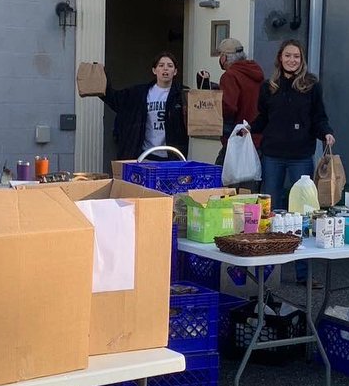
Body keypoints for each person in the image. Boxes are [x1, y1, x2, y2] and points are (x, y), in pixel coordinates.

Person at [239, 38, 335, 282]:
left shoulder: (311, 85)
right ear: (280, 58)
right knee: (269, 211)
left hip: (301, 157)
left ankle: (303, 273)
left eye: (296, 56)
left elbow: (319, 117)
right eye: (288, 55)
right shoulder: (269, 86)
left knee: (302, 213)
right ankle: (267, 270)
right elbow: (264, 117)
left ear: (302, 60)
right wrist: (249, 128)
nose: (292, 60)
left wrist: (326, 133)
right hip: (272, 155)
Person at [100, 52, 188, 161]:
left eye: (170, 66)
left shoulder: (183, 94)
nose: (165, 69)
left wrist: (204, 83)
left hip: (173, 157)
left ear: (175, 71)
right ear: (154, 70)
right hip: (146, 155)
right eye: (161, 65)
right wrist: (100, 79)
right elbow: (116, 100)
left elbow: (199, 110)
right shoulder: (140, 93)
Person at [198, 37, 266, 171]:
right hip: (257, 138)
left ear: (224, 58)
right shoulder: (256, 73)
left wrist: (211, 105)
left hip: (236, 139)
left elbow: (228, 107)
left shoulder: (230, 76)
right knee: (251, 181)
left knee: (220, 177)